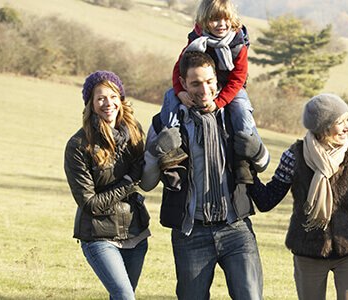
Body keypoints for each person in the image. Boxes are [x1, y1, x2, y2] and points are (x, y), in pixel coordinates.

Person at [141, 51, 270, 299]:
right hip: (191, 234)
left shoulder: (235, 117)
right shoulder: (165, 123)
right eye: (195, 83)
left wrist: (256, 149)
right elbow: (147, 183)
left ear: (217, 80)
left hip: (236, 228)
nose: (204, 89)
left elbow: (263, 163)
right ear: (182, 84)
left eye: (209, 81)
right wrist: (158, 150)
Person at [247, 94, 348, 300]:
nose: (347, 128)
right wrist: (246, 171)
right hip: (308, 253)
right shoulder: (294, 157)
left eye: (347, 120)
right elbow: (267, 200)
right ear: (323, 128)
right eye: (340, 122)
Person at [64, 71, 150, 300]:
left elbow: (148, 171)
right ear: (90, 104)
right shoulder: (78, 146)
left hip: (136, 233)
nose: (108, 103)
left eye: (113, 96)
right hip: (98, 235)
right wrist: (129, 182)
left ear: (120, 99)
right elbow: (90, 204)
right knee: (124, 296)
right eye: (100, 98)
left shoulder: (134, 133)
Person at [160, 0, 263, 184]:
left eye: (226, 19)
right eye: (215, 19)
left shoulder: (238, 44)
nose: (221, 24)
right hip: (202, 84)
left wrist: (220, 102)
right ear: (205, 20)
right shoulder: (197, 41)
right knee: (170, 97)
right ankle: (171, 147)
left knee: (241, 109)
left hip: (231, 87)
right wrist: (180, 91)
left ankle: (243, 159)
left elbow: (239, 78)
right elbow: (179, 68)